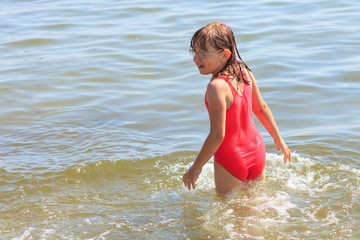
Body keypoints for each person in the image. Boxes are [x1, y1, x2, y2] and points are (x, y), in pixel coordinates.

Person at [182, 22, 291, 195]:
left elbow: (217, 135)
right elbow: (261, 108)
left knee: (230, 214)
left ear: (224, 55)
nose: (196, 58)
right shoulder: (244, 71)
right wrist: (279, 140)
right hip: (256, 150)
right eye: (194, 52)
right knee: (256, 208)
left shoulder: (216, 87)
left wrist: (196, 168)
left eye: (202, 53)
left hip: (231, 159)